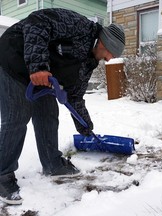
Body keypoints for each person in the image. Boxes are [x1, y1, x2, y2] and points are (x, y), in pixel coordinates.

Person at [0, 8, 125, 205]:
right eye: (111, 53)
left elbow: (75, 96)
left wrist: (85, 125)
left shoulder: (89, 62)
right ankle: (3, 174)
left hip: (42, 76)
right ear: (104, 42)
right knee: (17, 116)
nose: (109, 59)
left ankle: (52, 164)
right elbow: (37, 22)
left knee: (49, 114)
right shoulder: (79, 26)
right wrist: (38, 65)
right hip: (13, 59)